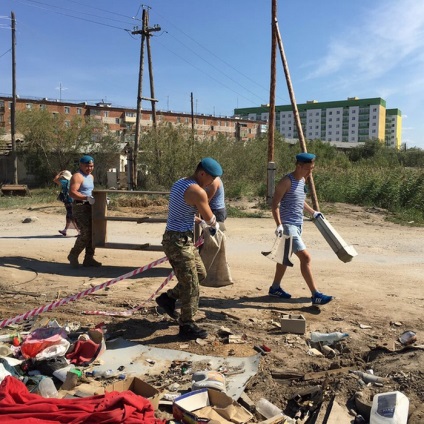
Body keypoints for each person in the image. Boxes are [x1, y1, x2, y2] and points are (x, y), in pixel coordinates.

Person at [155, 157, 222, 340]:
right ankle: (187, 325)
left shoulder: (180, 183)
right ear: (202, 174)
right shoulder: (197, 191)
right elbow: (210, 217)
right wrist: (214, 225)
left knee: (199, 274)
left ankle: (168, 298)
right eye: (211, 178)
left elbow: (183, 208)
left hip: (181, 239)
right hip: (178, 242)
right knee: (191, 284)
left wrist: (197, 219)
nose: (212, 182)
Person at [269, 152, 333, 306]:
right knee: (306, 258)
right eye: (307, 169)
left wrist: (313, 212)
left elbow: (299, 200)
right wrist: (279, 225)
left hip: (298, 225)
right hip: (288, 227)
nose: (310, 172)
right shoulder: (286, 181)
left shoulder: (302, 180)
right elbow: (275, 204)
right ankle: (315, 295)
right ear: (298, 166)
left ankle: (275, 288)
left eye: (312, 169)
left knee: (283, 259)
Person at [67, 155, 101, 268]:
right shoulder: (77, 176)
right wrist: (86, 198)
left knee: (94, 232)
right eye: (87, 166)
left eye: (91, 166)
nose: (89, 168)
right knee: (86, 232)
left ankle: (89, 258)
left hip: (90, 207)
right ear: (81, 165)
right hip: (80, 207)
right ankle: (73, 254)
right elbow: (72, 193)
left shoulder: (90, 177)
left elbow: (90, 191)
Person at [53, 170, 79, 237]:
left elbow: (55, 180)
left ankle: (79, 231)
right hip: (73, 199)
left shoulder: (65, 182)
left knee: (71, 216)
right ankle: (65, 230)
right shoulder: (72, 181)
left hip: (68, 200)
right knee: (69, 215)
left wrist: (59, 173)